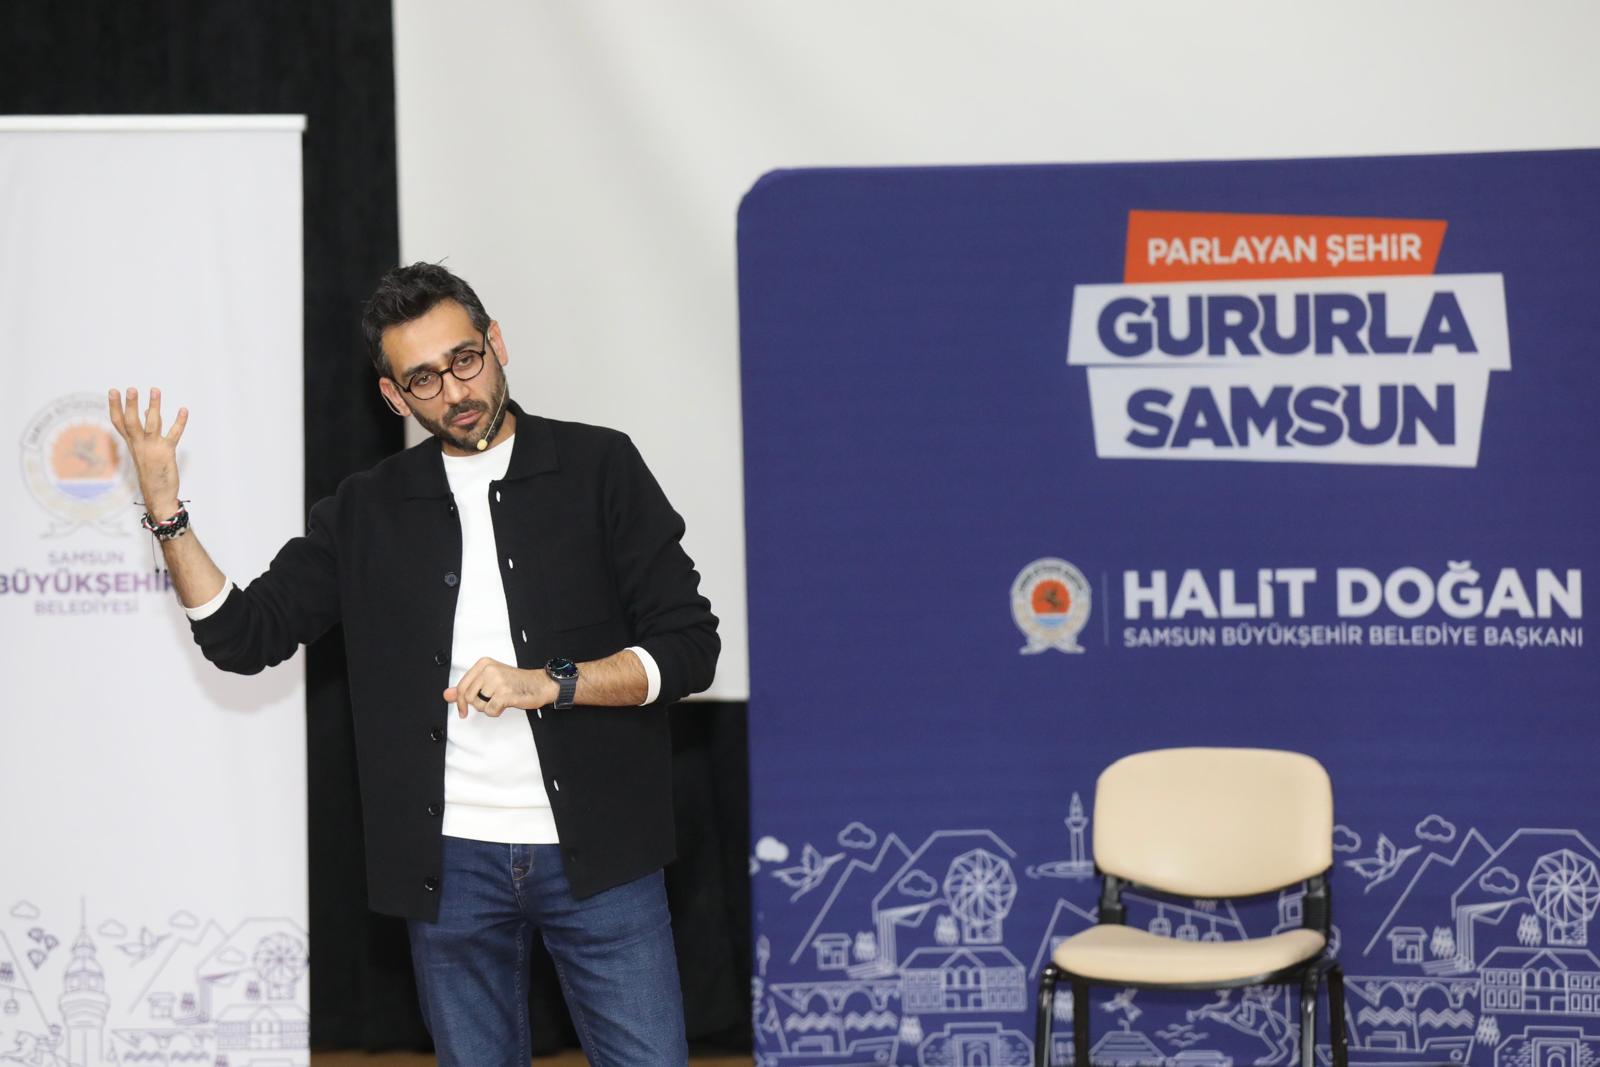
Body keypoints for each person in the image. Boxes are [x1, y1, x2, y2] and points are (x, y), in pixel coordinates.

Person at [107, 262, 719, 1067]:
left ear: (497, 343)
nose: (455, 390)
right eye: (424, 378)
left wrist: (552, 682)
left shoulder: (600, 466)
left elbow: (689, 647)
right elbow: (242, 636)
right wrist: (166, 512)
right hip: (448, 867)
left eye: (465, 358)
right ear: (394, 397)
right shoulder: (366, 508)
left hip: (605, 857)